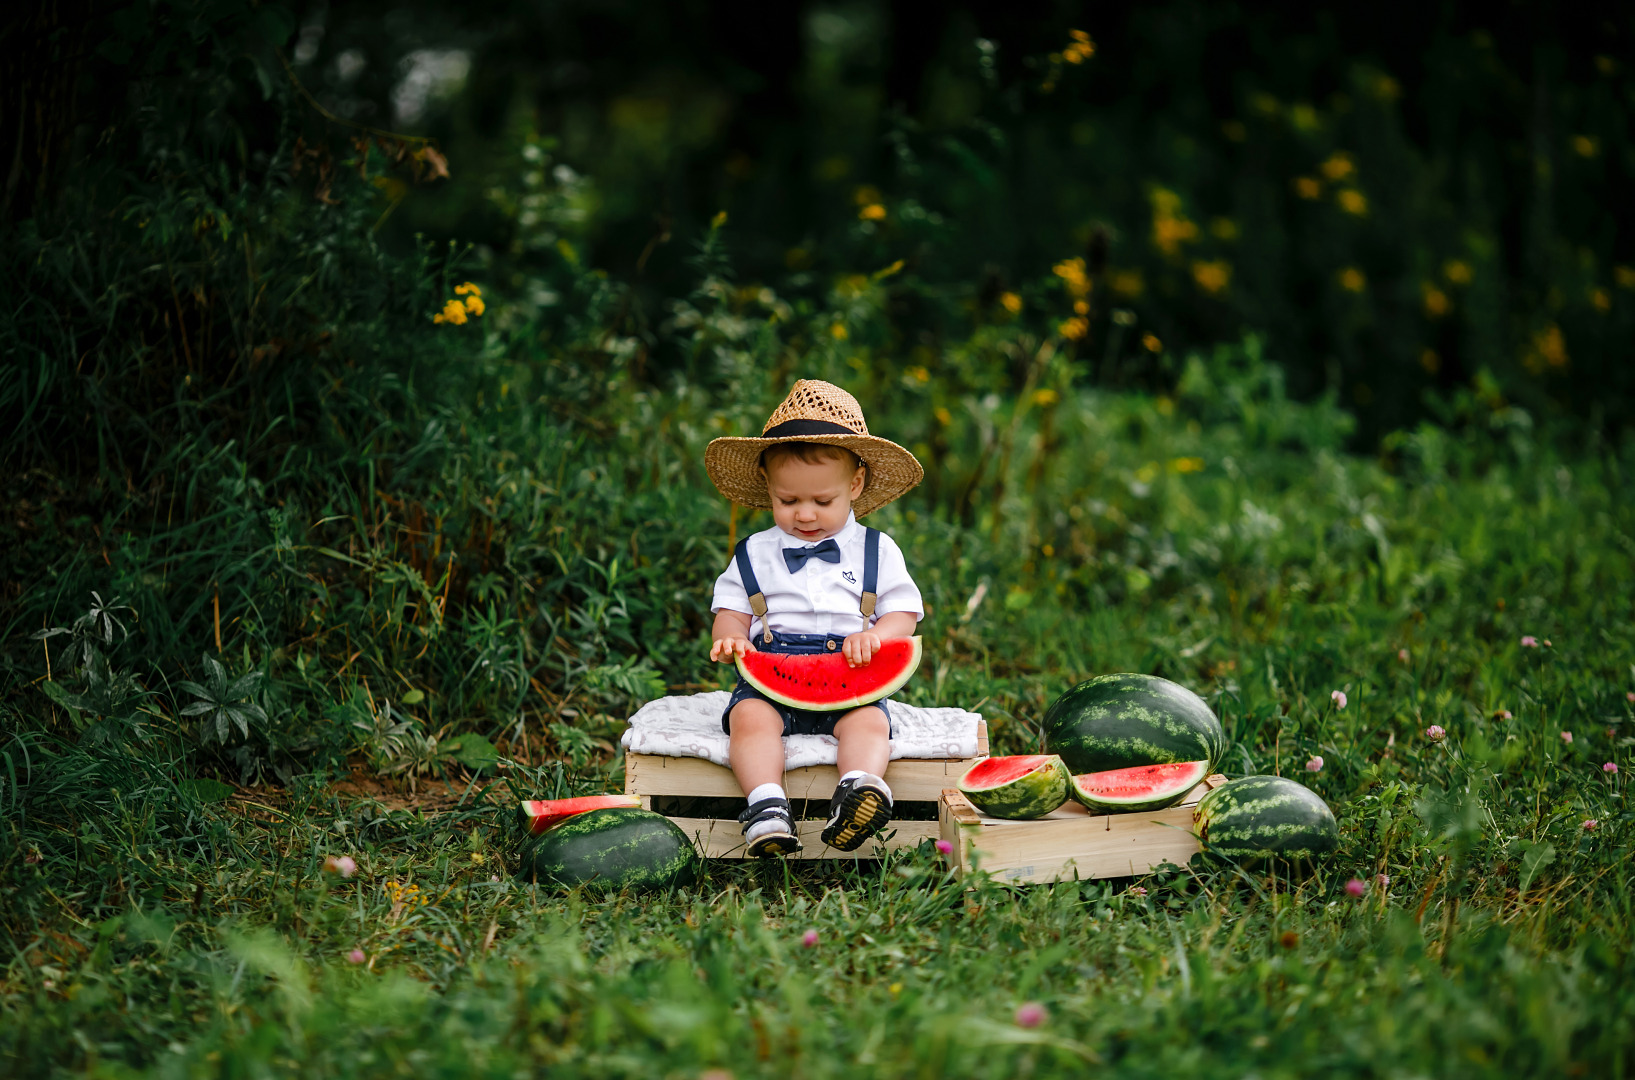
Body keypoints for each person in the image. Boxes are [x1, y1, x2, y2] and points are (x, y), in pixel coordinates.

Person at [705, 380, 926, 857]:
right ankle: (766, 806)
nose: (805, 515)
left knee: (869, 722)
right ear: (769, 488)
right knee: (749, 720)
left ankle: (857, 790)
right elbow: (731, 610)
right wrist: (731, 640)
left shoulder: (877, 549)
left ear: (856, 484)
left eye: (822, 502)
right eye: (788, 502)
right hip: (770, 672)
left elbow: (904, 613)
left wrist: (879, 637)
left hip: (853, 670)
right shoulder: (755, 553)